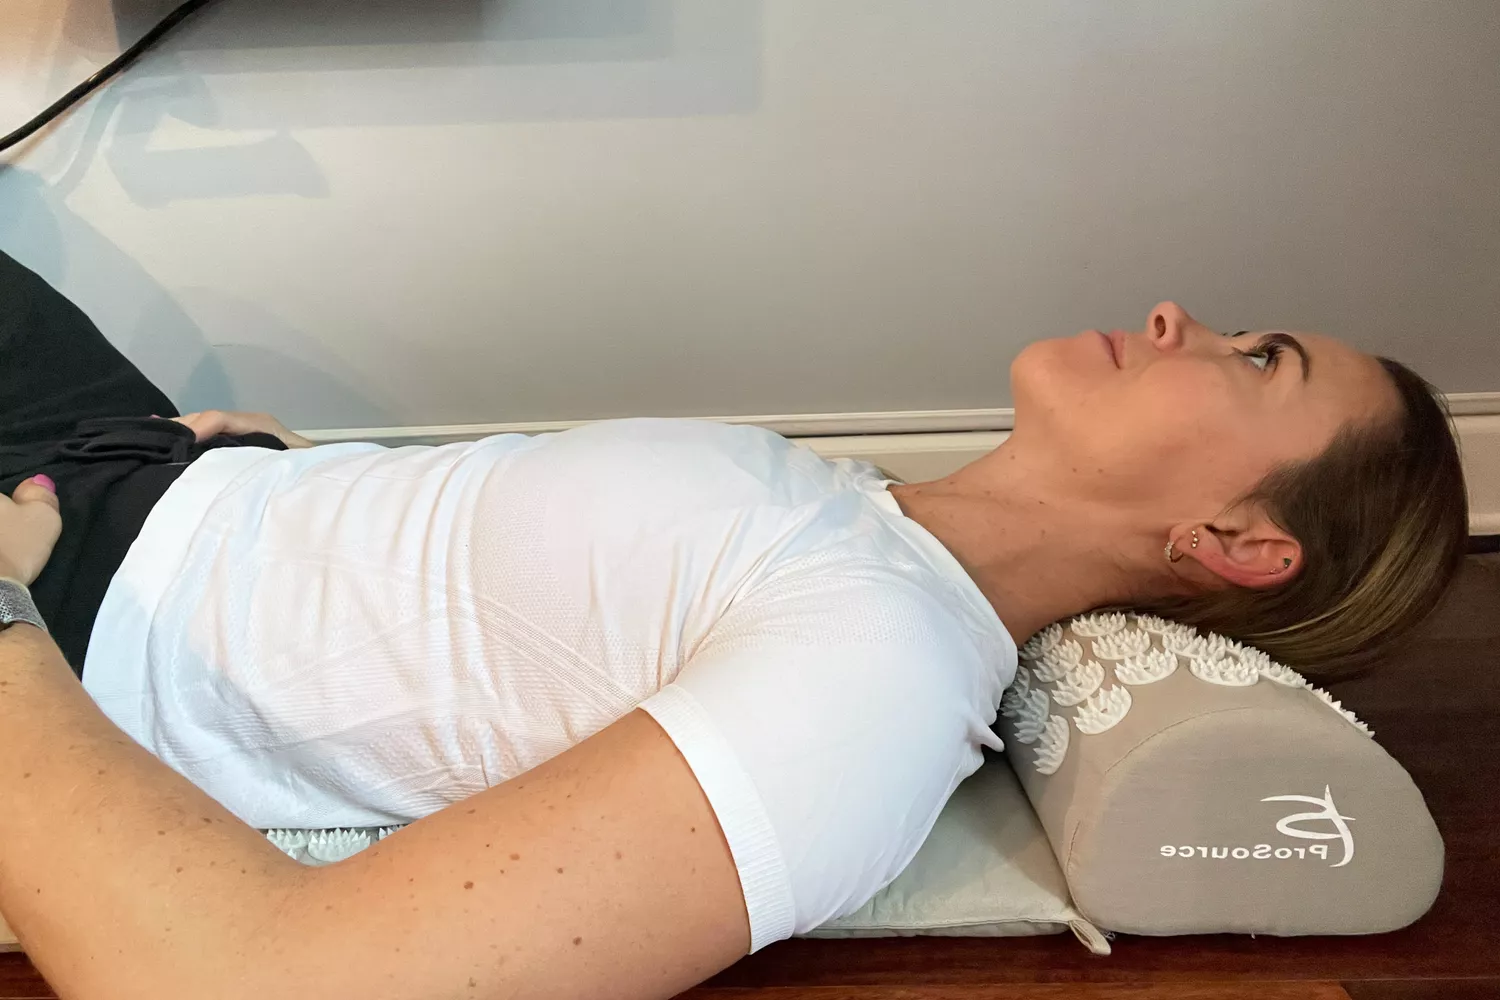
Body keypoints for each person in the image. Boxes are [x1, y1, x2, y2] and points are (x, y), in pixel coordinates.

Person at [0, 247, 1467, 999]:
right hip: (155, 466)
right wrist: (282, 481)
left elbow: (264, 982)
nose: (1174, 317)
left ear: (1237, 543)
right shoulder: (864, 517)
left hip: (73, 591)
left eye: (1256, 359)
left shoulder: (880, 677)